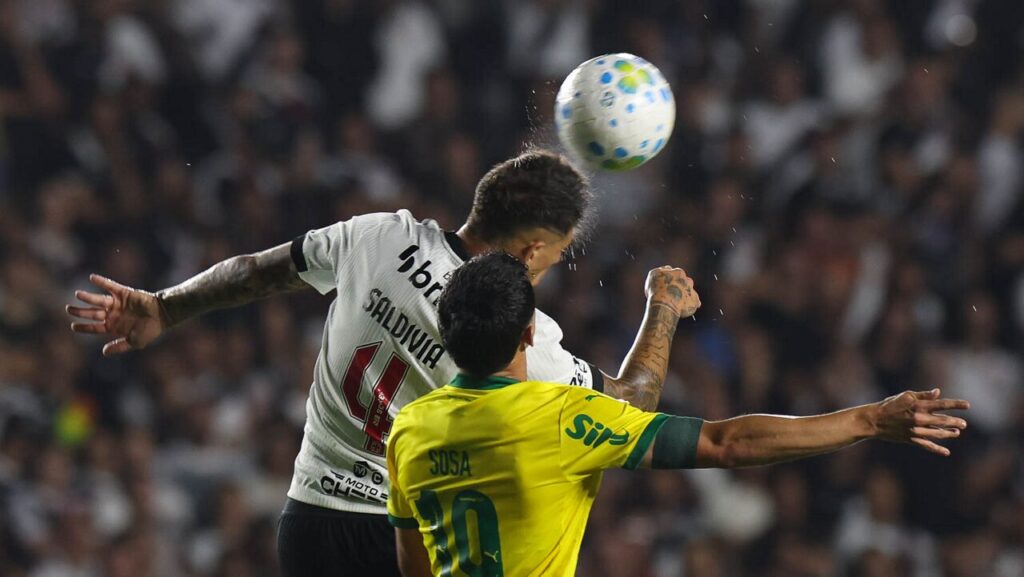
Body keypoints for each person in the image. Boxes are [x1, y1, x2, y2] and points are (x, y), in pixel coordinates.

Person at [65, 150, 702, 576]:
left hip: (308, 522)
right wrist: (663, 306)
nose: (552, 266)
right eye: (557, 255)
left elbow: (257, 272)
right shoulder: (518, 338)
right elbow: (631, 402)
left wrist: (165, 308)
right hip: (403, 545)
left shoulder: (378, 237)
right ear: (534, 247)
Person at [386, 252, 970, 577]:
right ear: (529, 333)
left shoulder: (408, 429)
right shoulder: (558, 416)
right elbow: (725, 443)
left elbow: (414, 569)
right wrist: (869, 420)